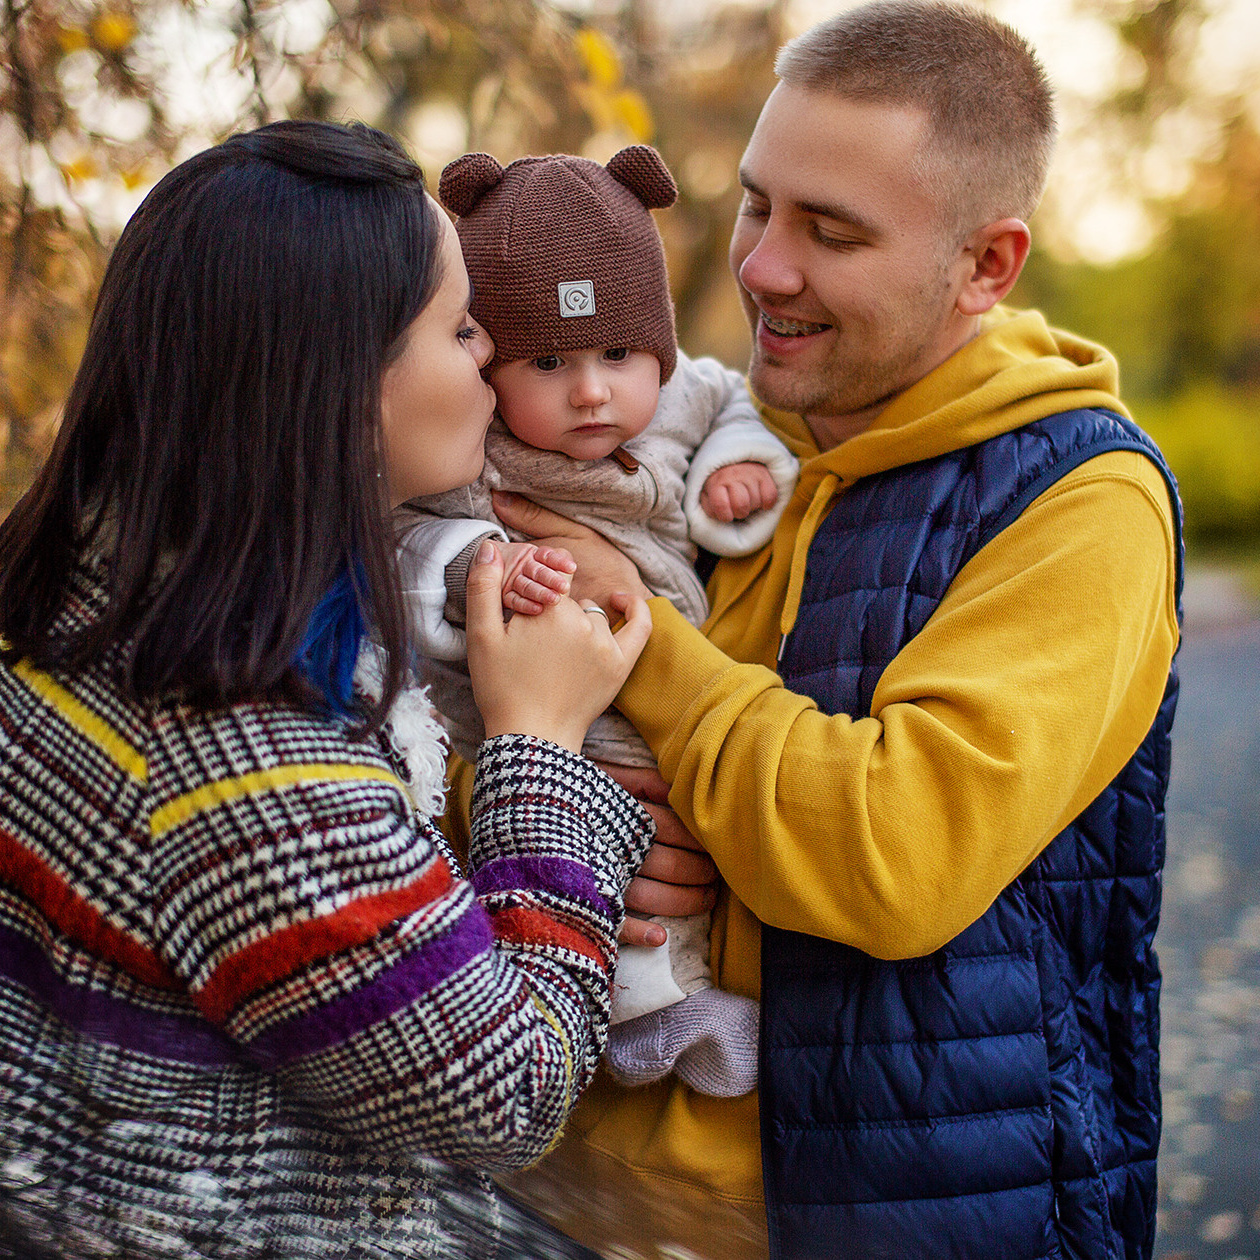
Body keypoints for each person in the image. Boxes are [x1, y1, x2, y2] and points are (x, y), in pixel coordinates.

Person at [478, 3, 1185, 1258]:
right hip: (554, 1195)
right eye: (757, 204)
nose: (760, 266)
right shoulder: (684, 433)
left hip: (884, 1218)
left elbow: (893, 855)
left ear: (987, 264)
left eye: (832, 232)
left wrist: (640, 636)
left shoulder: (1083, 504)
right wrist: (569, 818)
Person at [0, 119, 658, 1260]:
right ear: (343, 384)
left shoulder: (92, 592)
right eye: (458, 327)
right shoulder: (252, 754)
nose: (491, 349)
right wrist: (540, 746)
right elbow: (506, 1093)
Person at [396, 146, 798, 1099]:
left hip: (664, 690)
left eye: (618, 354)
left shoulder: (688, 394)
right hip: (544, 709)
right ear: (490, 359)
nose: (592, 392)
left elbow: (745, 411)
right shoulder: (474, 450)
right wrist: (475, 571)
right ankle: (635, 1006)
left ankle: (675, 994)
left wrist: (730, 474)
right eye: (550, 361)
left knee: (676, 837)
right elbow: (406, 544)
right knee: (600, 843)